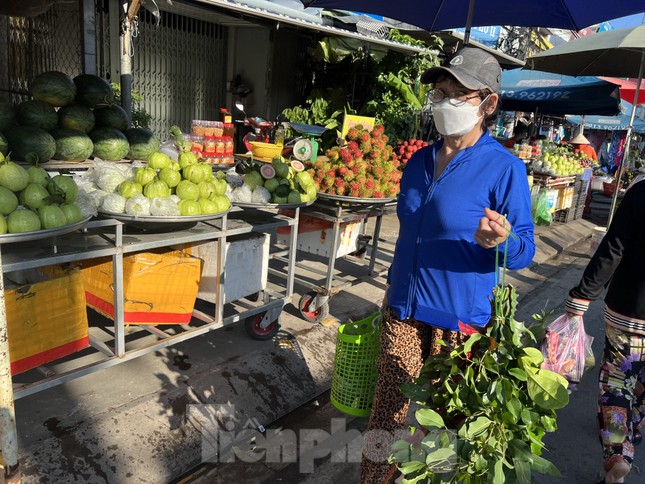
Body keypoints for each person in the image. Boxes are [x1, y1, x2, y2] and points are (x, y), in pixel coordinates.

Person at [360, 46, 536, 483]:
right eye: (440, 92)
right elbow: (411, 233)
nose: (444, 102)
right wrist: (392, 287)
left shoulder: (504, 168)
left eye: (458, 94)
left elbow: (525, 249)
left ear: (488, 103)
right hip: (402, 307)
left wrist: (503, 241)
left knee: (445, 427)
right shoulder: (418, 161)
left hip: (458, 320)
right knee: (387, 412)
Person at [566, 179, 645, 484]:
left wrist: (583, 294)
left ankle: (618, 455)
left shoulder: (640, 192)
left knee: (617, 384)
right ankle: (634, 432)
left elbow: (615, 245)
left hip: (629, 311)